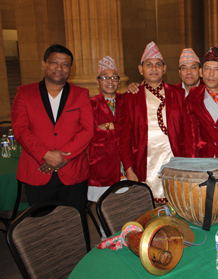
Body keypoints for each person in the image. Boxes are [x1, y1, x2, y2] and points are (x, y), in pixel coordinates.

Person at [11, 44, 93, 216]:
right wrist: (46, 154)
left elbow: (87, 129)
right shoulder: (24, 93)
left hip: (72, 172)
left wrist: (63, 157)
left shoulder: (80, 94)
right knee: (42, 226)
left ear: (70, 68)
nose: (59, 68)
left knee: (74, 224)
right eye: (54, 63)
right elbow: (20, 130)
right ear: (44, 64)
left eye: (65, 64)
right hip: (38, 169)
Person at [120, 41, 194, 204]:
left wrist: (189, 164)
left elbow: (188, 133)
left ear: (164, 69)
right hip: (143, 165)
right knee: (147, 215)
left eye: (158, 64)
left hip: (175, 164)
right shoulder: (130, 97)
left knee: (177, 210)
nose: (154, 69)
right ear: (141, 69)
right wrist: (128, 169)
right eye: (149, 65)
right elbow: (124, 138)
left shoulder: (178, 94)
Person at [127, 48, 218, 97]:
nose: (189, 72)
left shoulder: (209, 89)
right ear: (179, 73)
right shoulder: (171, 92)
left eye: (193, 67)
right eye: (184, 68)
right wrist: (135, 86)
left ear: (200, 71)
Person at [88, 56, 123, 203]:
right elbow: (93, 134)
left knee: (128, 209)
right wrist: (118, 126)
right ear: (98, 81)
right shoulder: (91, 104)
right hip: (102, 166)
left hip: (125, 166)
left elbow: (134, 129)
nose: (110, 81)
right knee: (105, 210)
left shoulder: (126, 100)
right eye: (105, 77)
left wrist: (106, 126)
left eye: (114, 77)